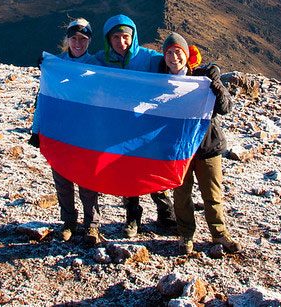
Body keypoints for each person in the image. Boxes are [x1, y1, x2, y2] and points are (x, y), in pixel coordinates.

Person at [158, 32, 242, 255]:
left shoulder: (202, 78)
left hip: (207, 146)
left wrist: (217, 86)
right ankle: (185, 234)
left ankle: (219, 233)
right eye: (169, 53)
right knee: (181, 194)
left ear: (186, 55)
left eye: (178, 52)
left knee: (212, 193)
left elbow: (225, 108)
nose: (173, 57)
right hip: (179, 149)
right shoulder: (159, 81)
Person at [95, 14, 176, 237]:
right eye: (116, 37)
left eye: (126, 37)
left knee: (152, 168)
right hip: (120, 127)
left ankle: (165, 213)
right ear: (108, 39)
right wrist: (53, 65)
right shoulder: (102, 60)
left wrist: (206, 69)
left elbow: (175, 62)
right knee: (128, 172)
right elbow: (78, 65)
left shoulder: (148, 58)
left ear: (133, 37)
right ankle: (133, 217)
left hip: (147, 127)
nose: (121, 42)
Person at [29, 18, 103, 246]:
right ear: (67, 40)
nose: (78, 43)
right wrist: (36, 129)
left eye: (83, 38)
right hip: (60, 132)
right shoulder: (55, 65)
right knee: (62, 179)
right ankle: (69, 222)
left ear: (89, 40)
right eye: (74, 38)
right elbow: (44, 98)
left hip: (87, 133)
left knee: (88, 180)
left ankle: (92, 224)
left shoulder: (98, 65)